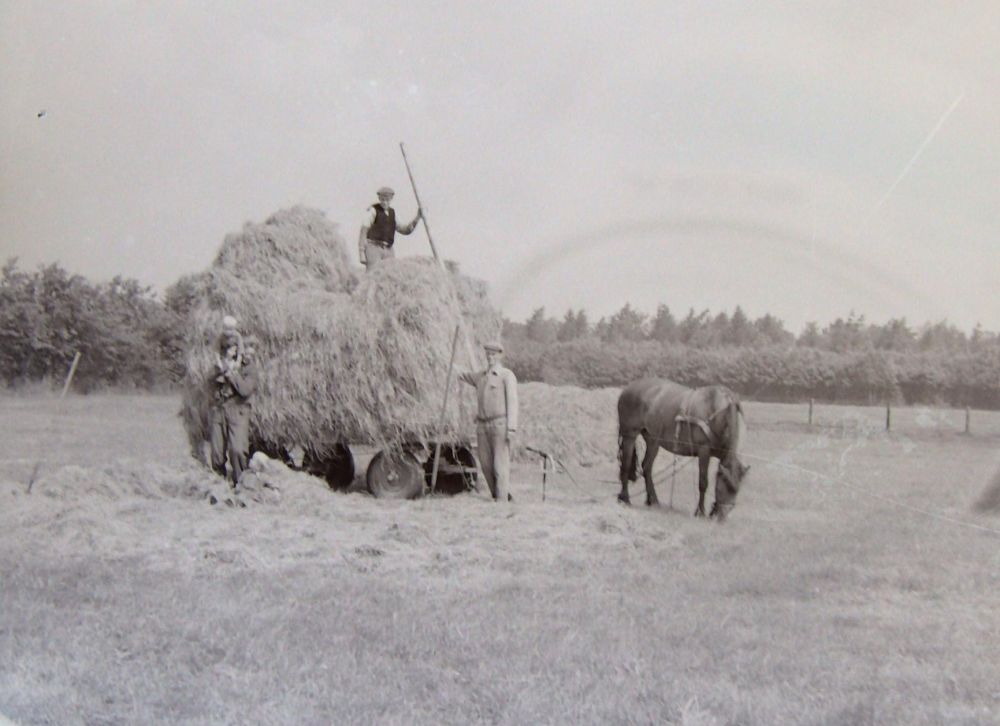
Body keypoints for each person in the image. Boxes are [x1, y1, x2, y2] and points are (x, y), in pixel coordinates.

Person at [459, 341, 519, 502]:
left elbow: (513, 402)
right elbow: (463, 375)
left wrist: (512, 428)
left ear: (500, 355)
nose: (490, 357)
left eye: (493, 354)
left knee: (500, 465)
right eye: (488, 354)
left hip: (500, 425)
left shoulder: (506, 376)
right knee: (485, 465)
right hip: (482, 426)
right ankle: (498, 495)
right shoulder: (481, 376)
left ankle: (501, 501)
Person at [209, 333, 259, 487]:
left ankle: (241, 483)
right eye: (226, 349)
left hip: (238, 410)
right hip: (219, 409)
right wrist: (219, 372)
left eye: (232, 348)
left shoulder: (248, 367)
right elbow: (209, 384)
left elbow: (245, 390)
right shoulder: (219, 365)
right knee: (217, 453)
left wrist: (232, 374)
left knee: (237, 450)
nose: (229, 352)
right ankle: (219, 483)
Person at [358, 186, 422, 269]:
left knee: (391, 274)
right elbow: (363, 231)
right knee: (373, 274)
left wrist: (417, 217)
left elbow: (405, 230)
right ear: (379, 199)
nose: (384, 202)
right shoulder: (373, 211)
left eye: (387, 200)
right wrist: (361, 252)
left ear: (391, 199)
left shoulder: (393, 213)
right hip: (374, 248)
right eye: (382, 199)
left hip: (388, 249)